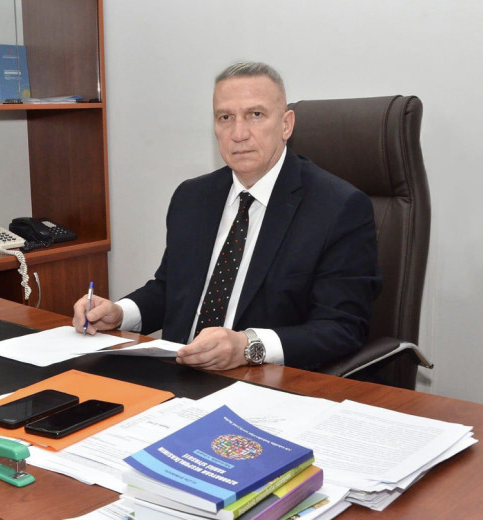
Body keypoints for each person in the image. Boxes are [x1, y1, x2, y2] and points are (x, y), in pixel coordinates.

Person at [73, 62, 381, 371]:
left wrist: (248, 346)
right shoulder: (192, 197)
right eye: (225, 118)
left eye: (255, 115)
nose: (238, 134)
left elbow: (341, 328)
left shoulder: (338, 208)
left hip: (263, 379)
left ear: (286, 125)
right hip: (175, 372)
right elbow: (171, 289)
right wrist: (120, 313)